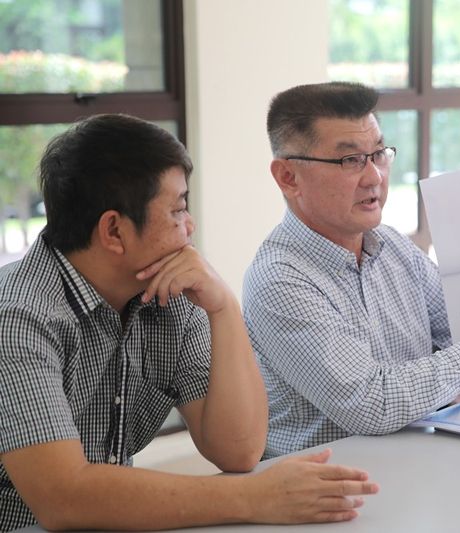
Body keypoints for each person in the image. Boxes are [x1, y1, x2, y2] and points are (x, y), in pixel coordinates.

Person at [0, 114, 378, 532]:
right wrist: (257, 497)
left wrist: (224, 309)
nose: (190, 226)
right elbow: (64, 498)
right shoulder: (18, 318)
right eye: (178, 209)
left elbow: (238, 451)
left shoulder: (169, 294)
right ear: (113, 231)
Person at [242, 81, 460, 458]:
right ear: (288, 177)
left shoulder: (391, 246)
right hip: (330, 494)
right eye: (349, 160)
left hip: (420, 466)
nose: (374, 176)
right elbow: (371, 405)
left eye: (378, 154)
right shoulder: (279, 279)